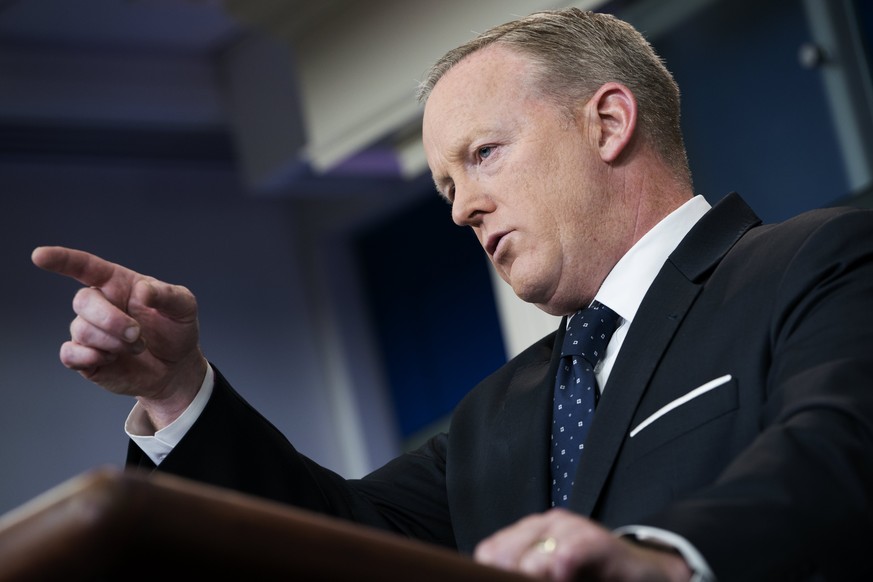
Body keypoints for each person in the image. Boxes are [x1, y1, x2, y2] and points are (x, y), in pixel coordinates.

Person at [30, 7, 873, 582]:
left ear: (608, 123)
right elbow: (333, 544)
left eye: (483, 155)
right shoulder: (492, 414)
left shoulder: (814, 261)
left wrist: (664, 556)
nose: (463, 205)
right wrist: (178, 393)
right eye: (444, 187)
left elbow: (841, 445)